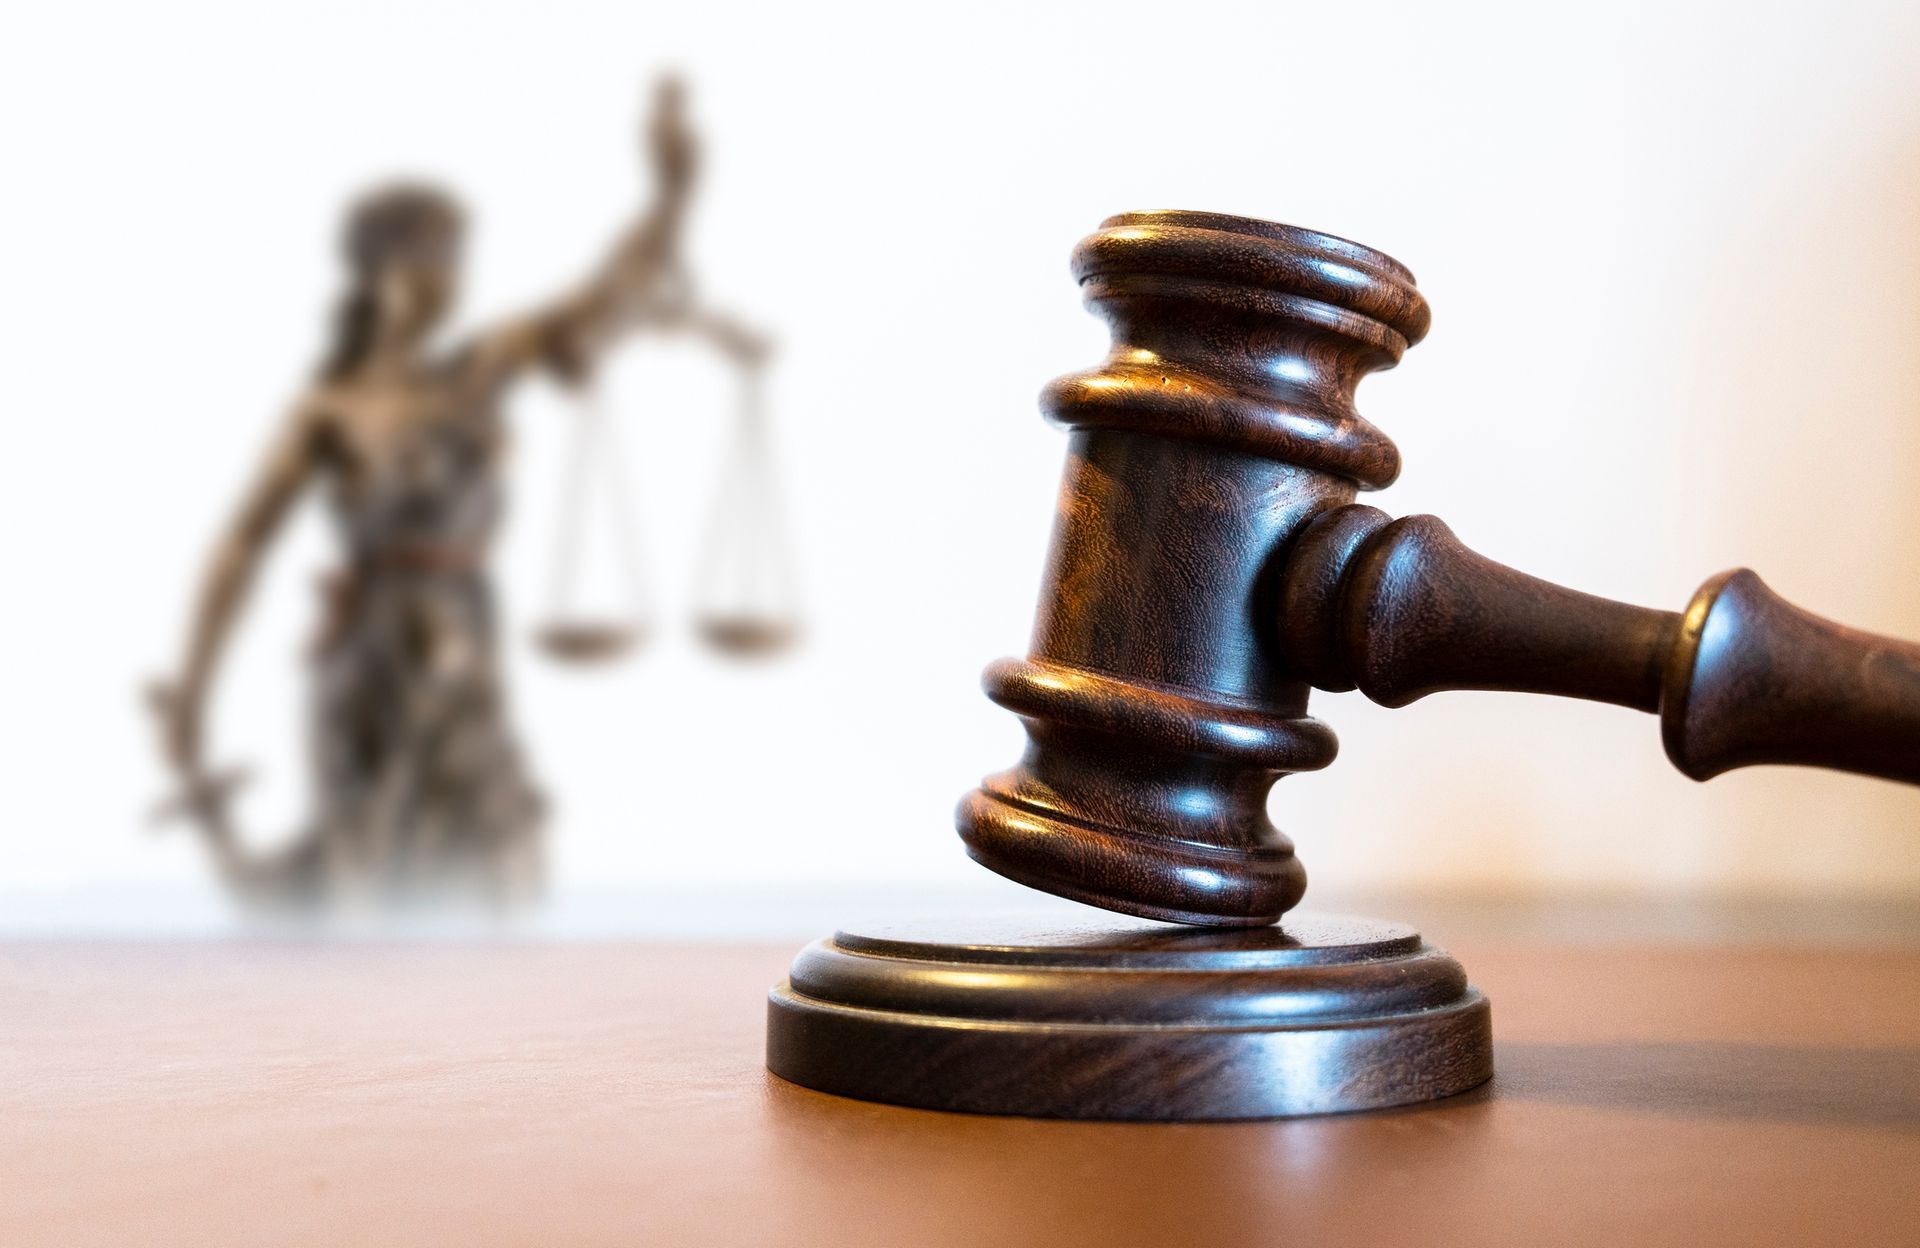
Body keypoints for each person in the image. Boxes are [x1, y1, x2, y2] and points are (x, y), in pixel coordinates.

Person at [152, 77, 735, 911]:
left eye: (449, 262)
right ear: (376, 271)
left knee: (498, 856)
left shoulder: (478, 372)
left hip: (463, 652)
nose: (440, 281)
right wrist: (193, 696)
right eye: (421, 259)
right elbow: (239, 547)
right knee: (371, 860)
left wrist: (672, 195)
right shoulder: (332, 409)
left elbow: (605, 291)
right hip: (368, 670)